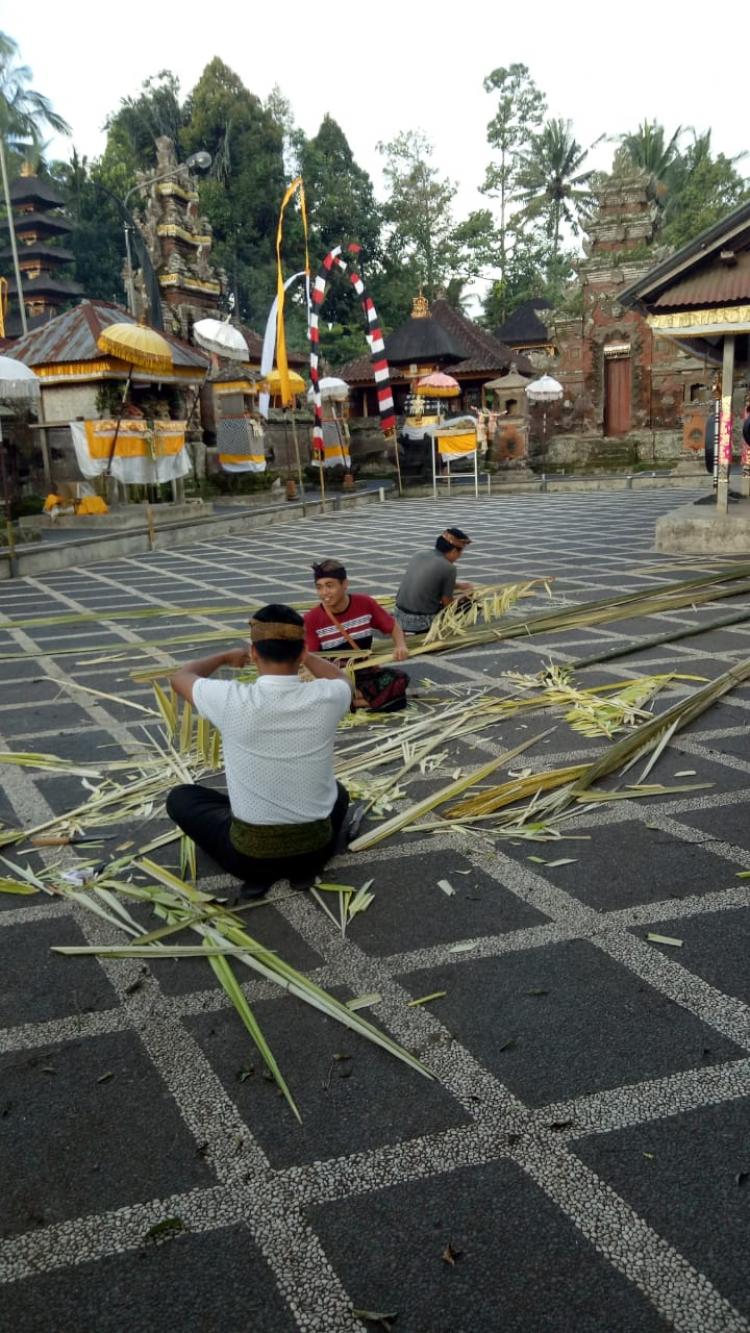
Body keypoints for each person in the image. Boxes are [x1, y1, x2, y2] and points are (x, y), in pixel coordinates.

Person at [166, 603, 353, 899]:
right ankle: (302, 872)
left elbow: (180, 677)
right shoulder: (328, 697)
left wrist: (226, 657)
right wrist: (306, 655)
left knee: (180, 798)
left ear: (254, 654)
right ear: (302, 651)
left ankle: (261, 874)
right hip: (314, 853)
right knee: (339, 793)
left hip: (249, 860)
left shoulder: (231, 699)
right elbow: (342, 679)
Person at [305, 558, 409, 661]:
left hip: (364, 669)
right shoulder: (311, 619)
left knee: (400, 677)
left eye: (329, 586)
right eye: (319, 587)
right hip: (333, 675)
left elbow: (393, 627)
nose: (324, 592)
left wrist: (401, 646)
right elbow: (310, 657)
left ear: (345, 584)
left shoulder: (364, 603)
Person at [394, 528, 474, 634]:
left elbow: (432, 581)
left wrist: (459, 586)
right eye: (461, 552)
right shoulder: (449, 568)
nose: (460, 556)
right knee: (469, 603)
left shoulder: (419, 554)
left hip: (398, 616)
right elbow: (448, 604)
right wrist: (465, 597)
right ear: (454, 551)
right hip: (419, 623)